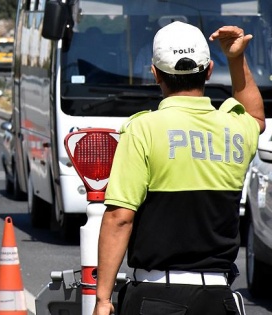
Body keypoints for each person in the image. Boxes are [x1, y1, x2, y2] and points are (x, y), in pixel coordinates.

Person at [93, 21, 265, 315]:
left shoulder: (143, 129)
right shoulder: (237, 129)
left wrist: (103, 299)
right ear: (209, 70)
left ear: (155, 73)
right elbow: (255, 115)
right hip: (218, 300)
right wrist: (236, 58)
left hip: (154, 297)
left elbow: (120, 218)